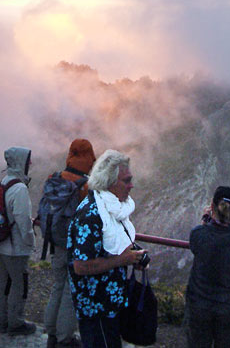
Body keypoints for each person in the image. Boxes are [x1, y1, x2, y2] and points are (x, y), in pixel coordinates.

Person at [67, 149, 146, 348]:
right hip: (96, 307)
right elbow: (81, 266)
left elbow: (110, 246)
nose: (131, 185)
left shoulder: (111, 207)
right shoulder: (91, 214)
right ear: (109, 182)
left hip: (110, 304)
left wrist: (133, 257)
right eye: (126, 180)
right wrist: (123, 260)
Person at [44, 138, 96, 348]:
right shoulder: (84, 186)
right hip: (74, 246)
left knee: (58, 285)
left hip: (55, 243)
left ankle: (52, 334)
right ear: (86, 156)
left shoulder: (56, 179)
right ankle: (65, 338)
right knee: (70, 290)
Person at [185, 186, 230, 348]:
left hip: (199, 306)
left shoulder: (198, 234)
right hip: (229, 308)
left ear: (212, 207)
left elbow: (197, 245)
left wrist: (206, 221)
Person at [0, 146, 36, 336]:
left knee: (3, 284)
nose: (31, 164)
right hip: (16, 248)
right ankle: (16, 323)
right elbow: (23, 221)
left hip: (2, 245)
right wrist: (31, 242)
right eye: (28, 161)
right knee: (18, 285)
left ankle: (3, 321)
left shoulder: (4, 182)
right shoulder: (19, 189)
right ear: (21, 163)